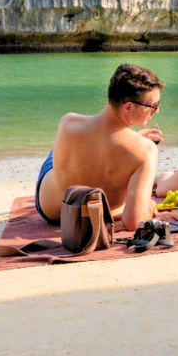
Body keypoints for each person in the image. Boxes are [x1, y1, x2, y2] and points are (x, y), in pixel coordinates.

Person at [36, 63, 165, 231]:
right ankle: (121, 144)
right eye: (154, 106)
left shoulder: (68, 122)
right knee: (129, 158)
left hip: (52, 211)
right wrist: (147, 206)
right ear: (128, 107)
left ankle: (118, 142)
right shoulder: (146, 150)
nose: (157, 110)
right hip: (94, 212)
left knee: (66, 149)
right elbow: (134, 222)